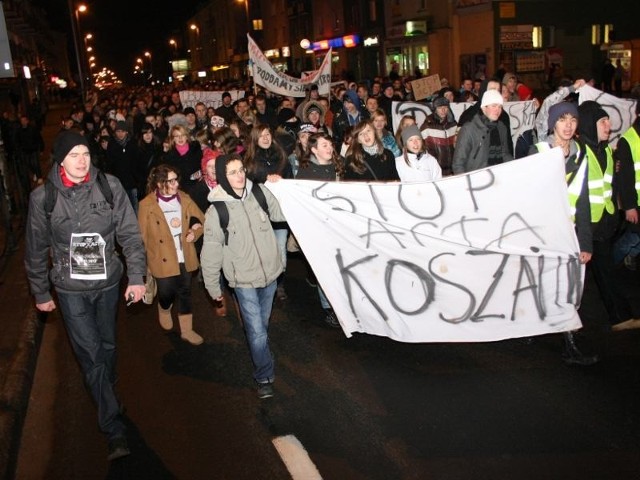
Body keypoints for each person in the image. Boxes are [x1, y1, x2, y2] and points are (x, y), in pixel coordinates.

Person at [24, 130, 147, 461]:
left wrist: (136, 277)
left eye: (86, 154)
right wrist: (40, 290)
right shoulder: (43, 198)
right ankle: (113, 429)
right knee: (91, 355)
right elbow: (35, 249)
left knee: (107, 346)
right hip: (70, 289)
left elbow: (131, 235)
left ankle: (107, 388)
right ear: (60, 160)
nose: (82, 161)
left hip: (108, 284)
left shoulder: (110, 186)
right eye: (74, 155)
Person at [200, 153, 287, 399]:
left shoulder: (259, 193)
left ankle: (261, 352)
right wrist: (212, 288)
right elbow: (211, 252)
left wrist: (279, 188)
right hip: (243, 281)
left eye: (241, 170)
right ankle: (264, 376)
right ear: (222, 178)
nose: (239, 176)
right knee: (257, 330)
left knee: (262, 325)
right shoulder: (217, 211)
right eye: (232, 173)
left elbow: (282, 214)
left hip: (270, 274)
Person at [529, 102, 599, 365]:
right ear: (552, 124)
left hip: (569, 233)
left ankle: (569, 343)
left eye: (572, 119)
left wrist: (586, 241)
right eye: (562, 119)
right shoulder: (538, 151)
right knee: (545, 284)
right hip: (544, 233)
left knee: (569, 288)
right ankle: (536, 326)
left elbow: (583, 199)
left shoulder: (581, 154)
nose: (568, 125)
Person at [577, 101, 639, 331]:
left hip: (601, 226)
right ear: (590, 125)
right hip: (581, 228)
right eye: (603, 121)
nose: (609, 126)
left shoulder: (605, 152)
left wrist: (612, 217)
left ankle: (620, 317)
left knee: (606, 272)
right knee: (575, 279)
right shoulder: (578, 153)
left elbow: (609, 189)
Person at [138, 164, 206, 345]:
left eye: (176, 179)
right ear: (160, 184)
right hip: (161, 257)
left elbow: (202, 220)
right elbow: (142, 237)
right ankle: (164, 307)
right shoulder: (146, 205)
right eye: (171, 181)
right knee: (166, 292)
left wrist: (195, 231)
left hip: (184, 253)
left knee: (185, 291)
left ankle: (187, 330)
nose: (176, 184)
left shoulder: (185, 199)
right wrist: (141, 265)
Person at [296, 132, 344, 328]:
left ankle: (340, 305)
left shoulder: (338, 168)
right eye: (324, 145)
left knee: (339, 268)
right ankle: (329, 308)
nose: (329, 148)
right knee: (325, 269)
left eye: (330, 144)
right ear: (314, 150)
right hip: (317, 228)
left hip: (337, 226)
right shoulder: (306, 172)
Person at [244, 124, 293, 300]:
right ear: (255, 138)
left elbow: (290, 181)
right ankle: (262, 281)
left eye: (268, 134)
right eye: (261, 135)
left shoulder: (281, 156)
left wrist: (281, 182)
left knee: (280, 248)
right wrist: (266, 180)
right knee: (262, 250)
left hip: (279, 212)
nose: (265, 138)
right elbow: (245, 188)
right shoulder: (249, 160)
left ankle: (279, 283)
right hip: (259, 212)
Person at [452, 90, 513, 174]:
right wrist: (466, 184)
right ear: (484, 107)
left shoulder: (501, 127)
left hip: (498, 177)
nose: (497, 110)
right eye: (494, 106)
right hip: (475, 180)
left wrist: (516, 166)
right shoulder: (468, 129)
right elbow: (458, 164)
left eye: (500, 107)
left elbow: (504, 153)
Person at [613, 100, 640, 273]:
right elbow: (625, 178)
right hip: (636, 202)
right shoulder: (628, 141)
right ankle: (612, 261)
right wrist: (629, 207)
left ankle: (631, 254)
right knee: (633, 236)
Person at [419, 96, 457, 176]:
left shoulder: (453, 124)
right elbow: (421, 149)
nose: (443, 110)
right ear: (435, 109)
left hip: (453, 170)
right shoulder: (427, 126)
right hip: (436, 170)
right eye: (440, 107)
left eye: (445, 107)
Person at [162, 124, 203, 194]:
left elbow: (203, 163)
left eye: (183, 135)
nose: (180, 138)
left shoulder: (195, 147)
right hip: (181, 189)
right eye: (177, 136)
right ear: (173, 139)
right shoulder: (169, 155)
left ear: (187, 136)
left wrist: (202, 173)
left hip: (198, 185)